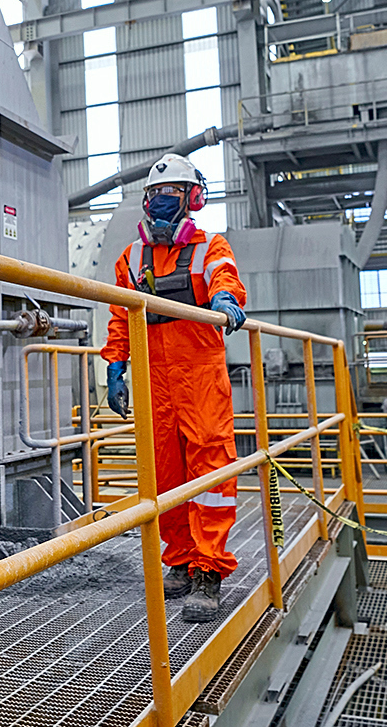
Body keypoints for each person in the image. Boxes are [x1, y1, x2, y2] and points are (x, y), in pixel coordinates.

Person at [100, 153, 248, 623]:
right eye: (157, 197)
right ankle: (181, 559)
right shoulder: (133, 256)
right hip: (154, 379)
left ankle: (209, 570)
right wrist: (116, 366)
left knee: (208, 469)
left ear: (193, 199)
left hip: (199, 376)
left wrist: (225, 298)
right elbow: (121, 314)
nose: (163, 205)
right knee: (165, 473)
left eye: (172, 196)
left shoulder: (210, 247)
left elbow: (224, 278)